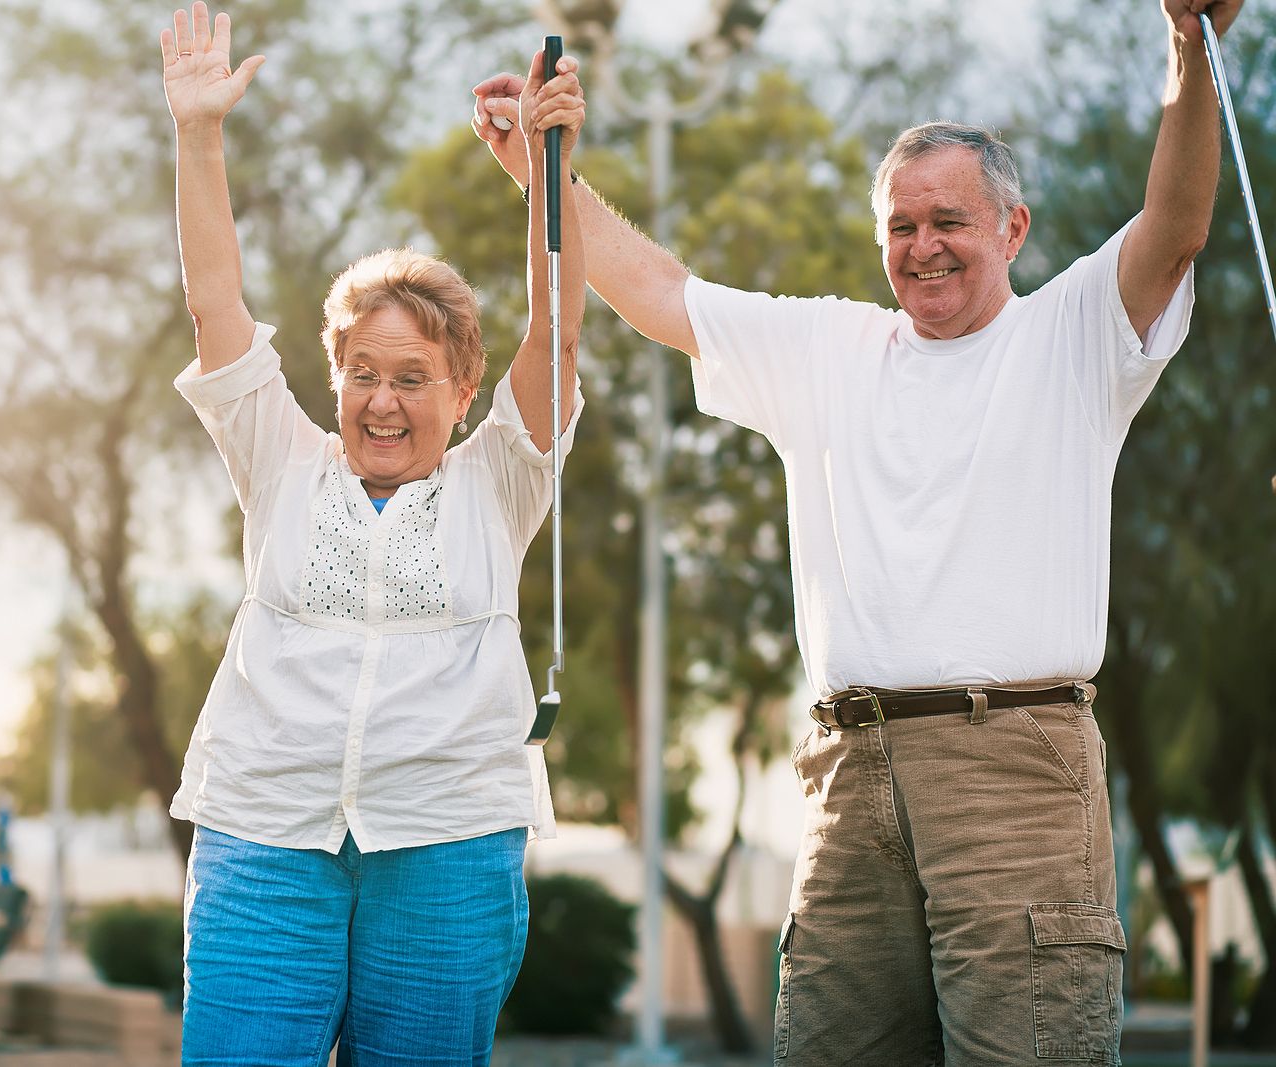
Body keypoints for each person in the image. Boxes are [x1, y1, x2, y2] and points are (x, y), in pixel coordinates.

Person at [473, 1, 1235, 1063]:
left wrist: (1187, 48)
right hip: (844, 774)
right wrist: (539, 173)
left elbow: (1176, 224)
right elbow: (654, 287)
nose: (923, 246)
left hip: (1014, 772)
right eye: (901, 225)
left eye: (949, 221)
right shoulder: (827, 346)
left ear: (1010, 230)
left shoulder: (1074, 333)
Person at [159, 5, 585, 1064]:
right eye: (362, 373)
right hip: (267, 841)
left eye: (411, 378)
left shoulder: (501, 477)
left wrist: (549, 170)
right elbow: (215, 298)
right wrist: (198, 132)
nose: (381, 402)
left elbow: (559, 326)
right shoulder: (282, 456)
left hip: (446, 849)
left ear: (463, 386)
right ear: (332, 373)